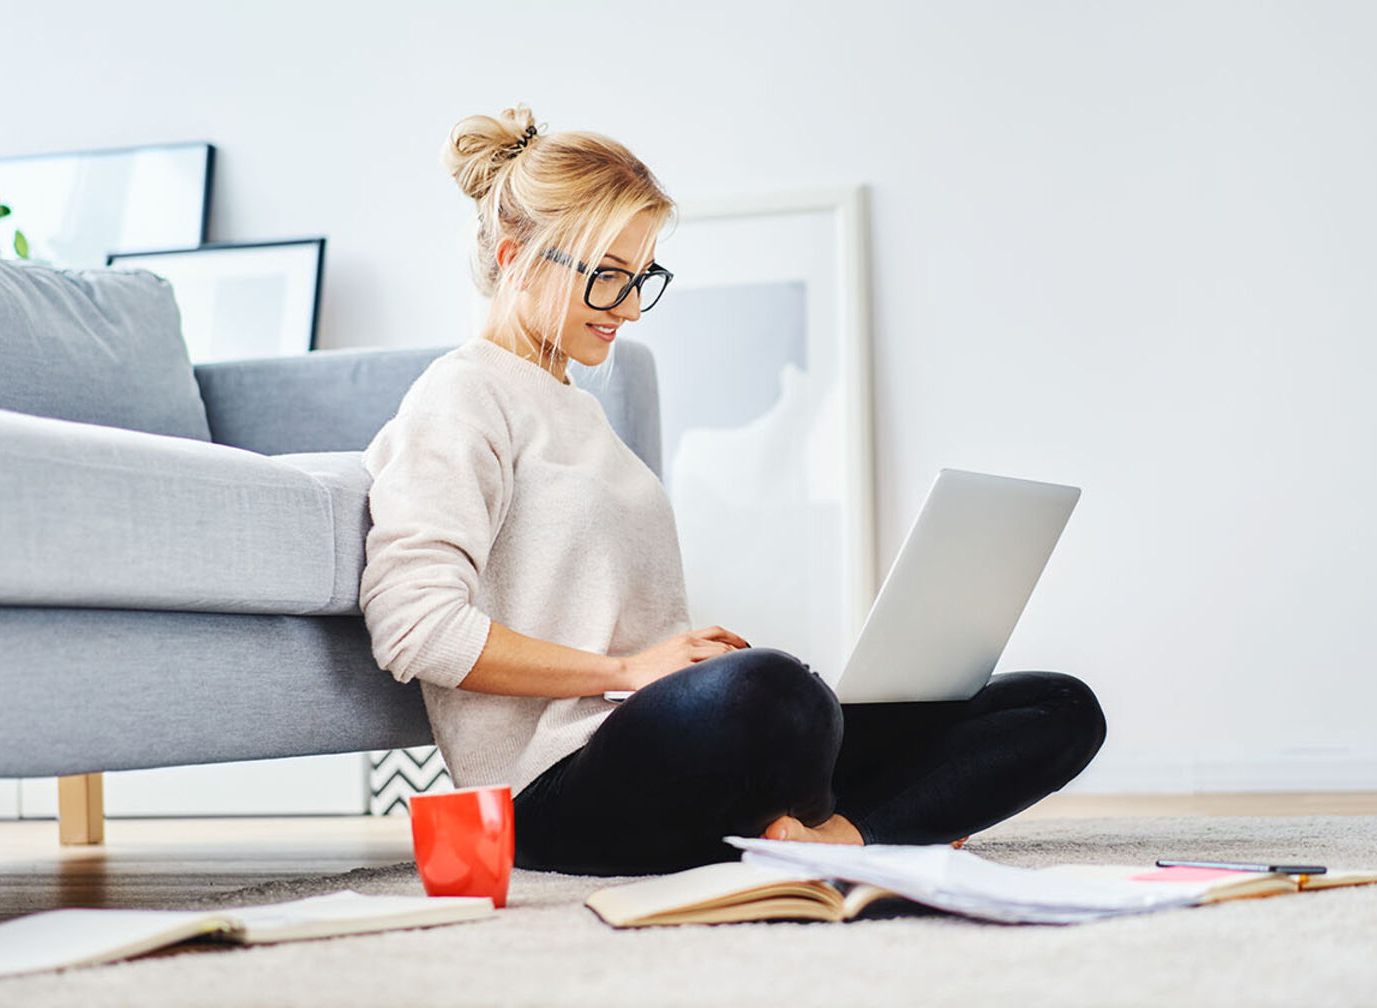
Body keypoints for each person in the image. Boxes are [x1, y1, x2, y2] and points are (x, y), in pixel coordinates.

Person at [360, 104, 1107, 876]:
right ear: (516, 259)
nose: (625, 307)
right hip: (550, 790)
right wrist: (626, 673)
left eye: (640, 277)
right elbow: (414, 627)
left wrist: (675, 667)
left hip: (663, 746)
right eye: (606, 276)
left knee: (1057, 707)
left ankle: (833, 839)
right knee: (777, 695)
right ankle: (865, 810)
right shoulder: (460, 397)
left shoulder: (578, 410)